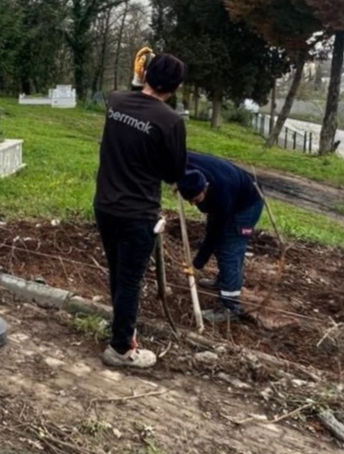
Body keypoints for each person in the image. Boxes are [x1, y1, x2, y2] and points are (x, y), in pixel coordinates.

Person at [94, 53, 189, 369]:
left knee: (118, 273)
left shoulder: (116, 101)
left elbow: (134, 99)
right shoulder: (171, 121)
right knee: (131, 279)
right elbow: (173, 171)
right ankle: (121, 348)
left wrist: (140, 80)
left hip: (106, 204)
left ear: (145, 74)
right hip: (138, 212)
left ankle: (123, 330)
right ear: (175, 87)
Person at [177, 152, 265, 323]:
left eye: (196, 199)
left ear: (206, 187)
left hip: (248, 203)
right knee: (223, 245)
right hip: (233, 193)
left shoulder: (221, 194)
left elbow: (214, 233)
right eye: (189, 201)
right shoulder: (182, 164)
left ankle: (230, 307)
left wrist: (197, 264)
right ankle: (224, 280)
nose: (193, 204)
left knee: (230, 249)